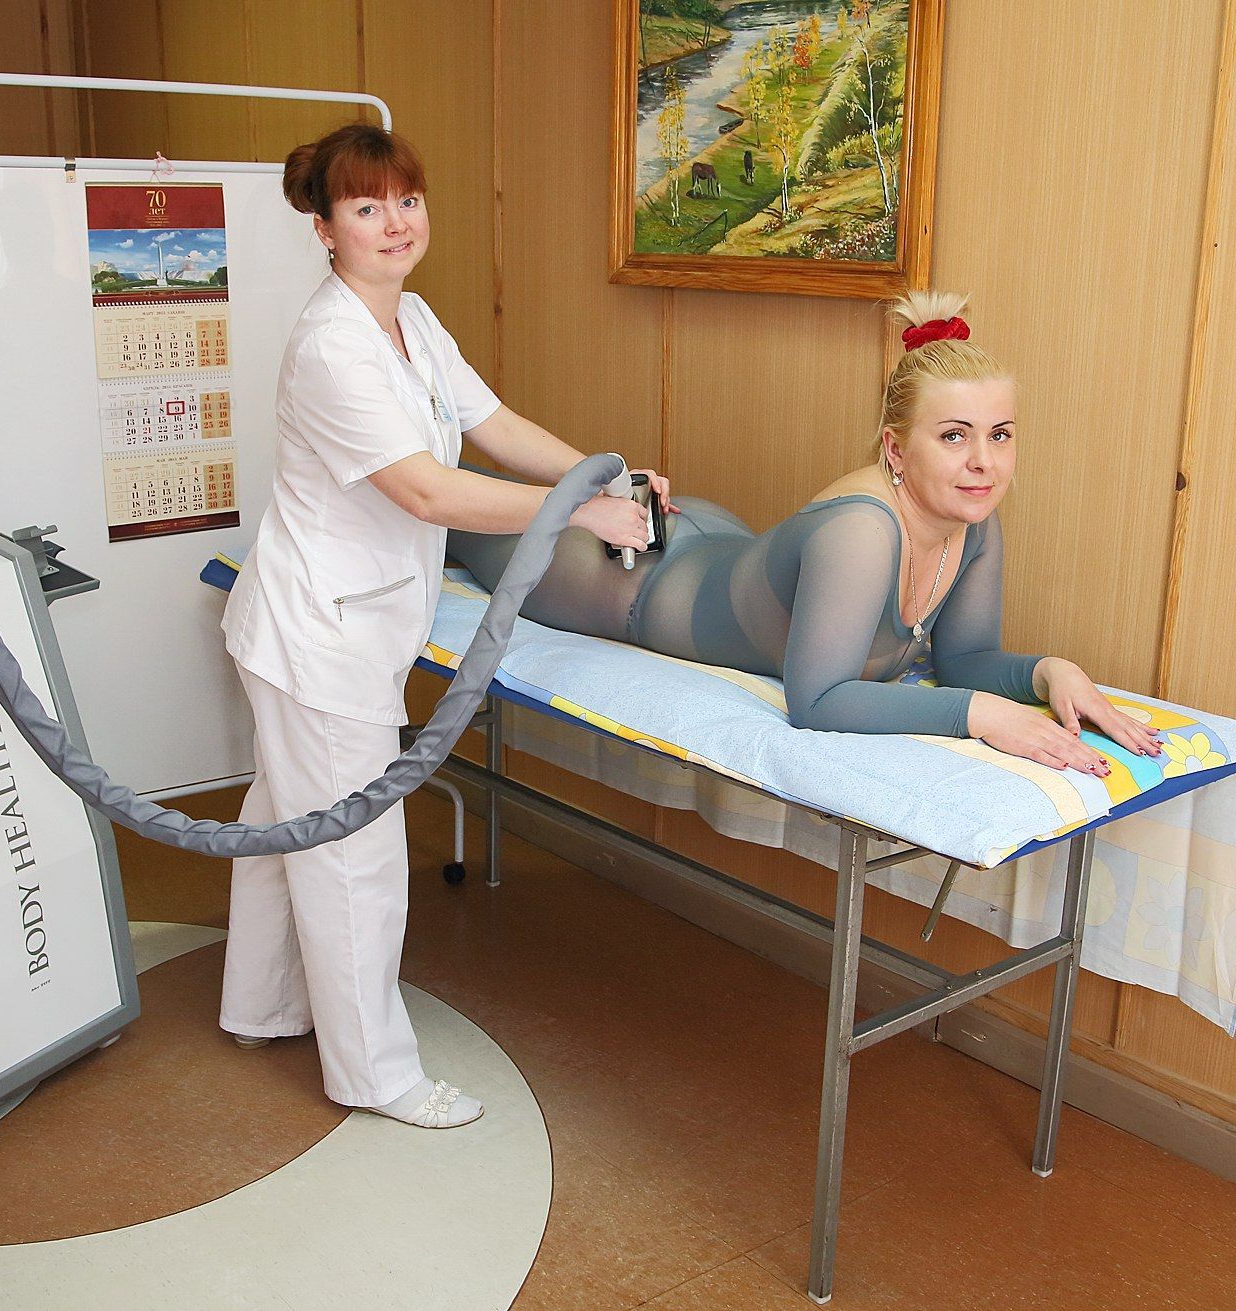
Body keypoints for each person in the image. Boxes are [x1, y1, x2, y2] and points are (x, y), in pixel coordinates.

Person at [219, 124, 670, 1129]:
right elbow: (425, 491)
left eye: (407, 201)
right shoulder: (332, 345)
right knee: (354, 859)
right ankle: (375, 1075)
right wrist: (580, 514)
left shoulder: (410, 320)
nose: (394, 224)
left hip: (349, 625)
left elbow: (492, 426)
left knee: (284, 821)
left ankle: (261, 1006)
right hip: (317, 636)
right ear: (324, 228)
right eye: (366, 207)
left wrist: (607, 473)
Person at [448, 291, 1162, 776]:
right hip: (626, 582)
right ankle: (397, 454)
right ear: (895, 449)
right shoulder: (861, 530)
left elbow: (965, 658)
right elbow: (817, 701)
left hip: (712, 541)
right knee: (445, 515)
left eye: (999, 434)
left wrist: (1045, 673)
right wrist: (979, 716)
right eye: (954, 435)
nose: (984, 461)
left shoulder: (971, 523)